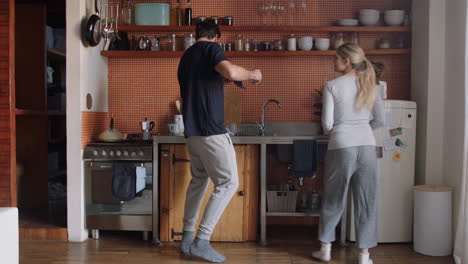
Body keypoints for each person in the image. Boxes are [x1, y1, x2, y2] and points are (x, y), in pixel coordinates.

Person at [177, 21, 262, 263]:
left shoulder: (187, 56)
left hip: (192, 131)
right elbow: (231, 72)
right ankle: (202, 241)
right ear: (215, 36)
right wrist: (254, 75)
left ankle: (186, 238)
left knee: (199, 181)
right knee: (228, 182)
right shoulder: (211, 49)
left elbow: (211, 79)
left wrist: (227, 78)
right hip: (211, 130)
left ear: (197, 35)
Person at [312, 43, 384, 264]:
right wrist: (361, 130)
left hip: (341, 145)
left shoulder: (332, 85)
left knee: (334, 198)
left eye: (336, 58)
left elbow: (327, 124)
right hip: (367, 146)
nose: (334, 62)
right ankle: (364, 256)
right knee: (366, 200)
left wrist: (344, 133)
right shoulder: (371, 84)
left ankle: (325, 250)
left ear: (345, 61)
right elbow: (381, 120)